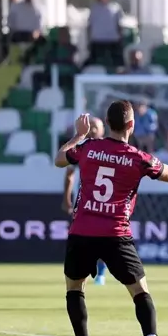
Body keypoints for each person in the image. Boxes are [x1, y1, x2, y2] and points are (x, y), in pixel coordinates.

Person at [54, 100, 168, 336]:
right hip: (115, 233)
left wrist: (79, 135)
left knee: (74, 288)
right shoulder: (137, 158)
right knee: (140, 291)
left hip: (82, 230)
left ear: (106, 123)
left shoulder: (89, 148)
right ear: (132, 125)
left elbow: (60, 159)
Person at [62, 116, 108, 285]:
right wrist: (67, 198)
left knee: (104, 239)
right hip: (85, 204)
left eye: (97, 127)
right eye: (91, 127)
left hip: (107, 204)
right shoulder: (82, 150)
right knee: (85, 239)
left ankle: (101, 273)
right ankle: (86, 272)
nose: (94, 130)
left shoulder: (110, 149)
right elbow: (69, 176)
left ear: (104, 129)